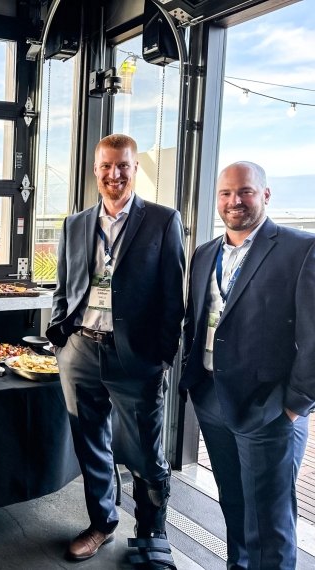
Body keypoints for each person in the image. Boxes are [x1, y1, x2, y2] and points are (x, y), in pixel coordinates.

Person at [46, 134, 184, 568]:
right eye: (106, 166)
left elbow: (172, 297)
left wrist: (160, 356)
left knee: (145, 450)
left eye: (123, 166)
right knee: (91, 445)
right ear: (95, 170)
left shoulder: (163, 221)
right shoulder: (76, 224)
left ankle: (151, 536)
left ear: (134, 168)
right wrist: (60, 337)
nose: (114, 174)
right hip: (81, 352)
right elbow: (64, 286)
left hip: (135, 358)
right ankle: (102, 523)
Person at [181, 161, 314, 570]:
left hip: (268, 408)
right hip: (212, 400)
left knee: (269, 524)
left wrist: (294, 405)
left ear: (266, 195)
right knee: (235, 504)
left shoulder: (300, 248)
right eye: (225, 193)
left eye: (246, 192)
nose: (234, 201)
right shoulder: (204, 253)